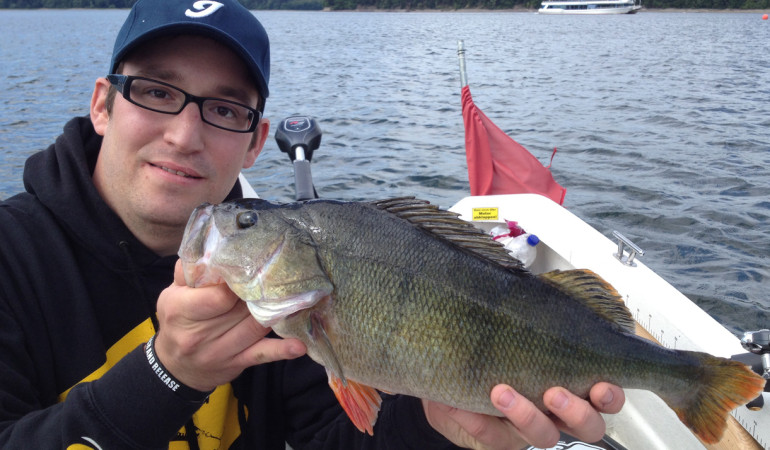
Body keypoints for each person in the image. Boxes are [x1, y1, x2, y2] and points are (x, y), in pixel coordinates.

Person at [0, 0, 625, 448]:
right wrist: (168, 374)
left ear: (255, 144)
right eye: (157, 93)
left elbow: (335, 434)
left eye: (223, 108)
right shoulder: (13, 259)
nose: (184, 134)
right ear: (102, 105)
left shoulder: (283, 274)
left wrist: (440, 430)